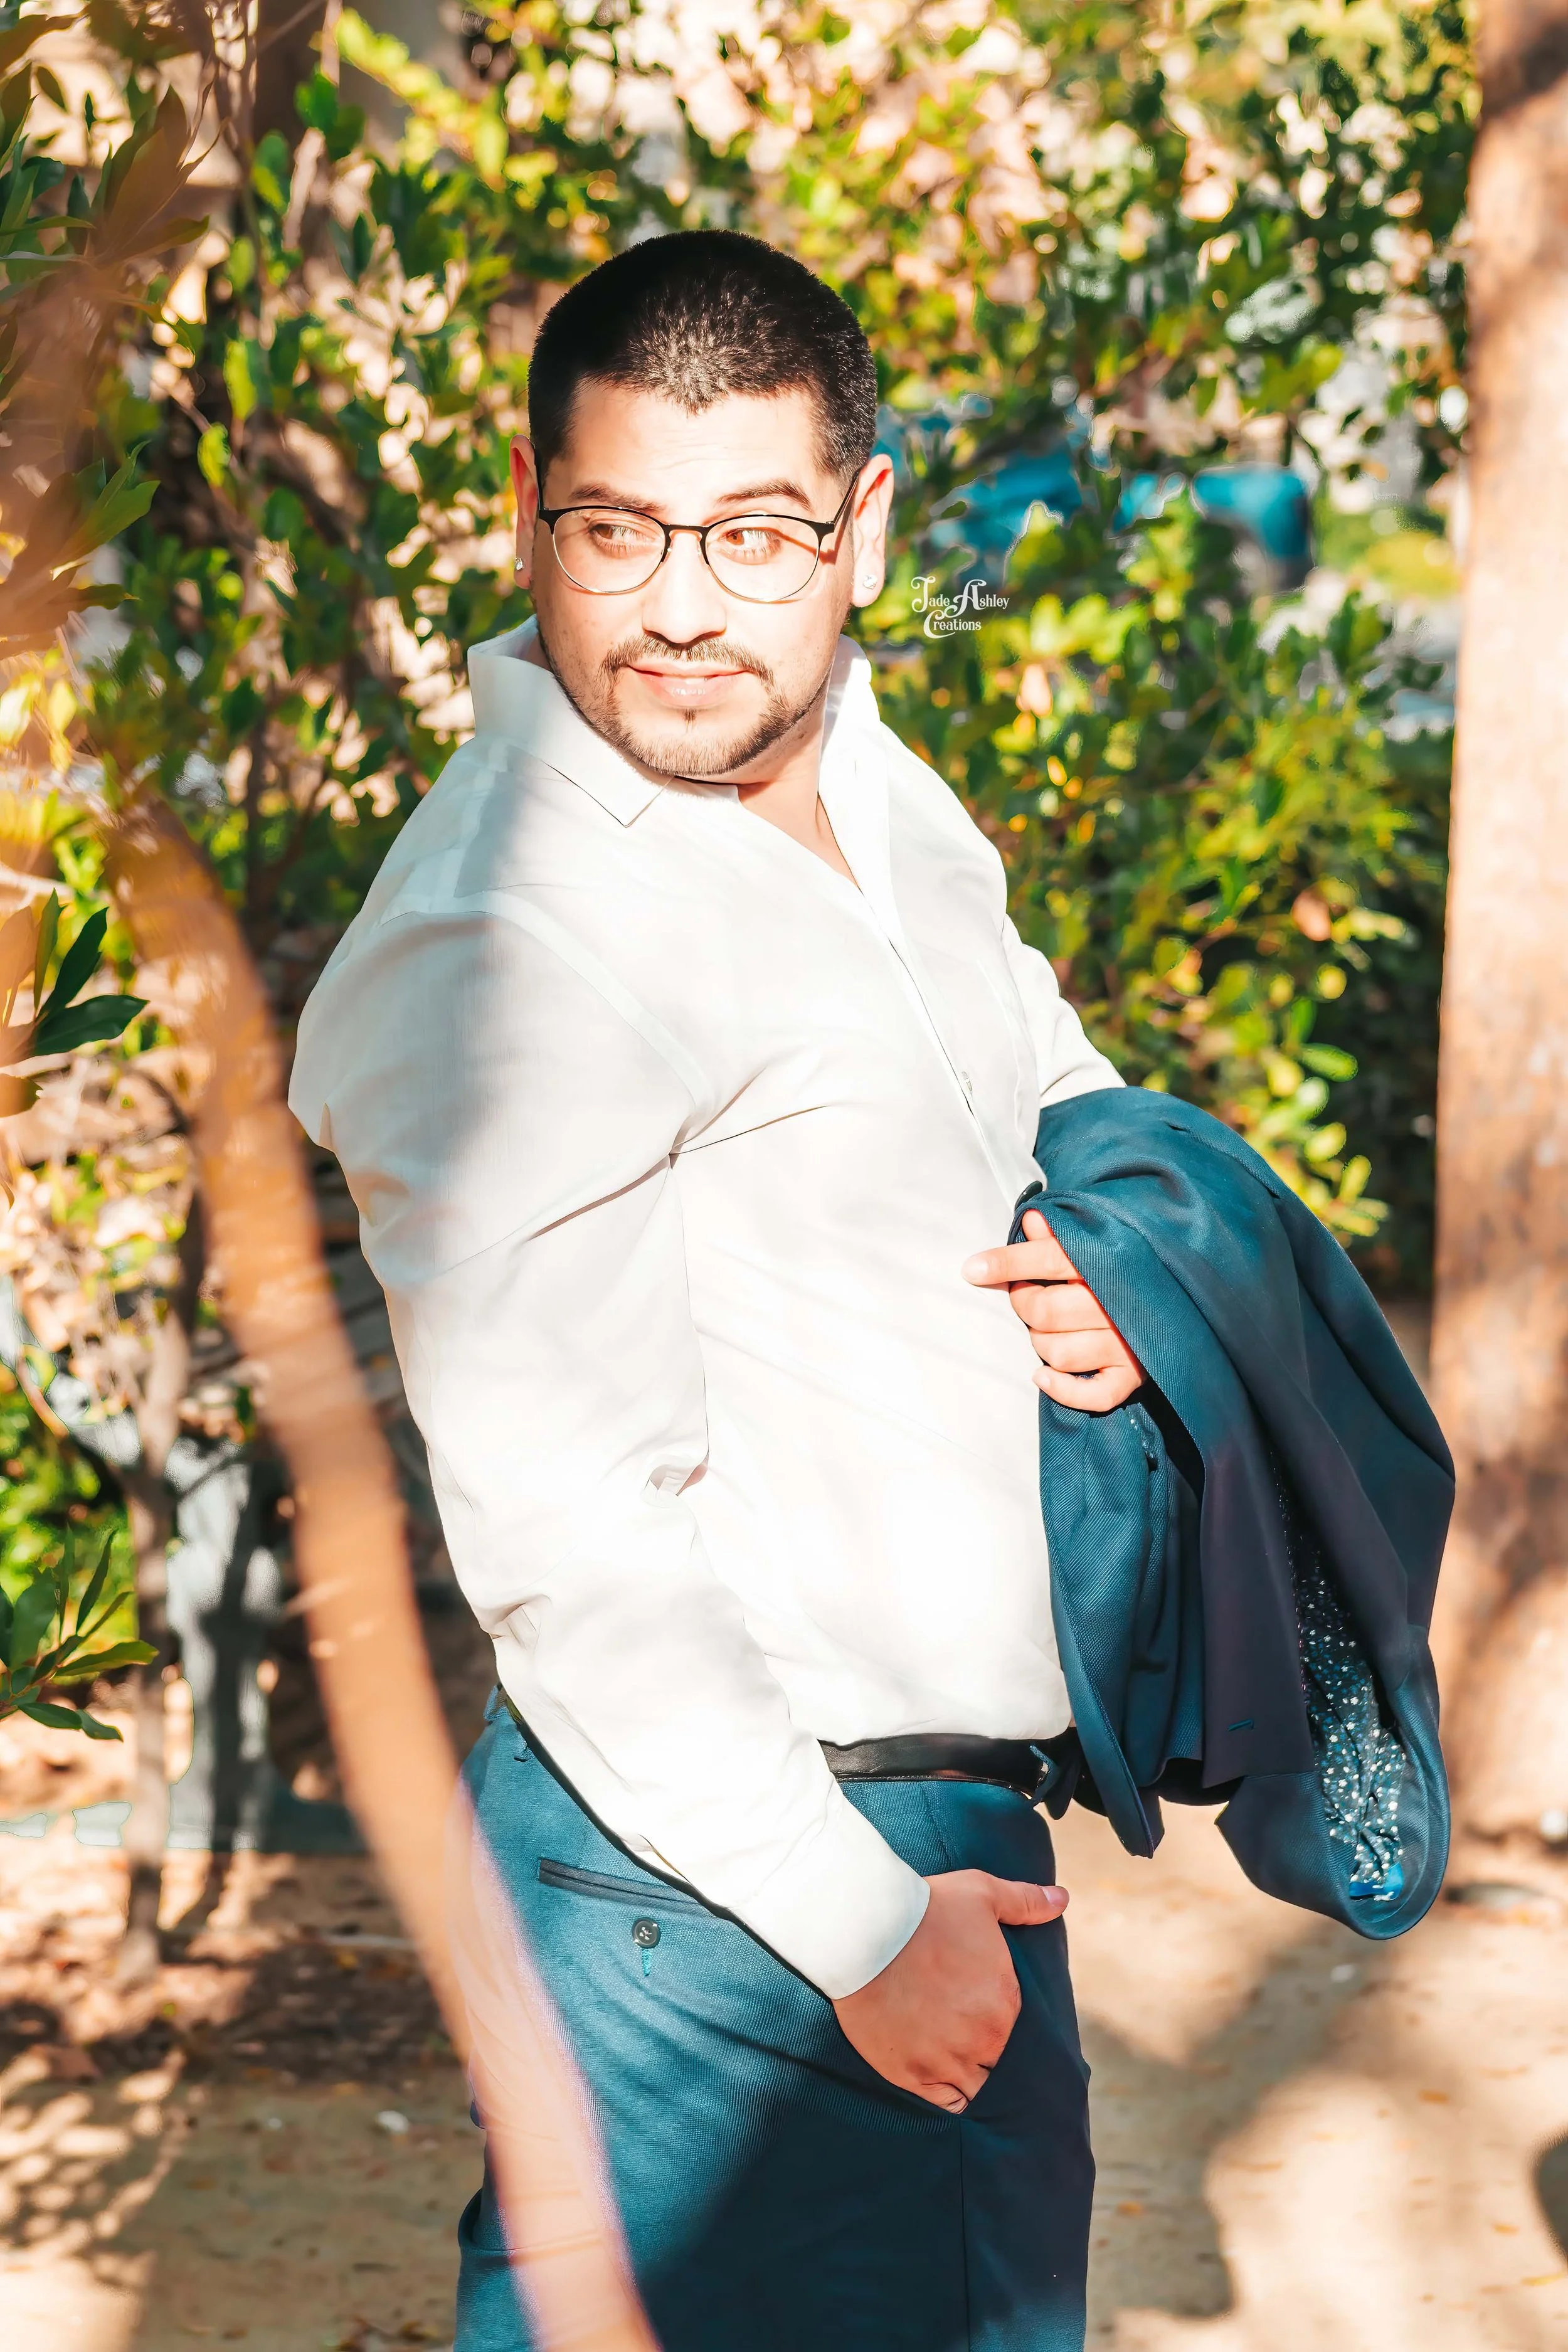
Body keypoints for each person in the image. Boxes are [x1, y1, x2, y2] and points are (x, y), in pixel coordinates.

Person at [290, 228, 1146, 2352]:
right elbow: (564, 1531)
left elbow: (1033, 1068)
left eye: (754, 533)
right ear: (532, 513)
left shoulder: (863, 768)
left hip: (934, 1824)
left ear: (858, 529)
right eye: (617, 529)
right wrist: (866, 1928)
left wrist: (1106, 1278)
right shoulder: (506, 936)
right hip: (732, 1883)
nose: (681, 605)